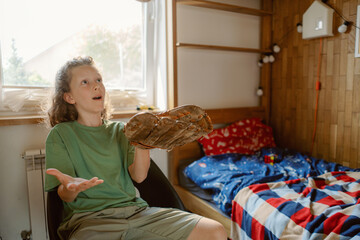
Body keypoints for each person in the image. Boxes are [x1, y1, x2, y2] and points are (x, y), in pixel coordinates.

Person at [44, 56, 227, 240]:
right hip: (91, 222)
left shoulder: (121, 130)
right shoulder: (61, 135)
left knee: (215, 231)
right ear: (69, 97)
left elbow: (139, 176)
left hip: (137, 214)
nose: (96, 86)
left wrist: (143, 144)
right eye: (85, 82)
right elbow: (65, 197)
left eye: (98, 79)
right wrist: (70, 188)